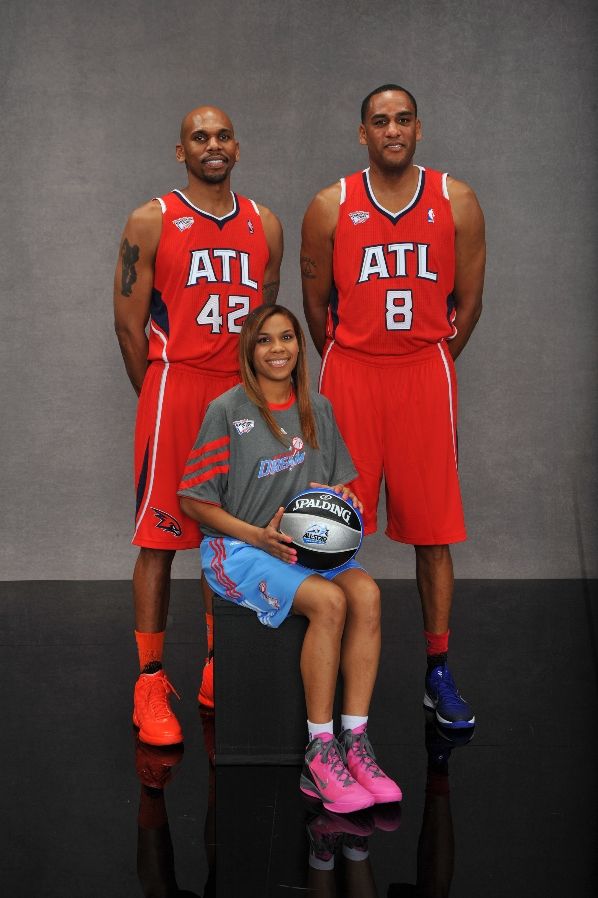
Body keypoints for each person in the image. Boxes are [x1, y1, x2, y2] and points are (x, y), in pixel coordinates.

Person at [300, 84, 485, 729]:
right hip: (351, 373)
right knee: (328, 525)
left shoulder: (456, 200)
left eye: (403, 119)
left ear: (419, 127)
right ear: (363, 134)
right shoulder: (331, 205)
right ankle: (327, 680)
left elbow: (469, 302)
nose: (393, 130)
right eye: (380, 121)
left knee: (432, 532)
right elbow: (315, 307)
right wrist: (351, 360)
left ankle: (438, 670)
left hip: (423, 374)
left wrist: (424, 356)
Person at [178, 304, 402, 812]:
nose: (277, 349)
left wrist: (347, 501)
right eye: (264, 340)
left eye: (287, 338)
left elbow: (340, 483)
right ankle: (318, 755)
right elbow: (192, 499)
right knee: (329, 603)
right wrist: (257, 537)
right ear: (249, 350)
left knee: (366, 593)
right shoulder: (227, 410)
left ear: (300, 347)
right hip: (239, 550)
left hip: (303, 548)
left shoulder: (316, 407)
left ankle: (355, 742)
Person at [114, 105, 283, 746]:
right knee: (160, 540)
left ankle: (217, 668)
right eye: (199, 137)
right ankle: (151, 681)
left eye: (222, 135)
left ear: (236, 146)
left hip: (240, 398)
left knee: (232, 540)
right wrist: (160, 388)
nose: (213, 145)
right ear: (180, 151)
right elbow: (129, 325)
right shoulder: (152, 219)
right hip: (176, 386)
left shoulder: (265, 223)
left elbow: (267, 328)